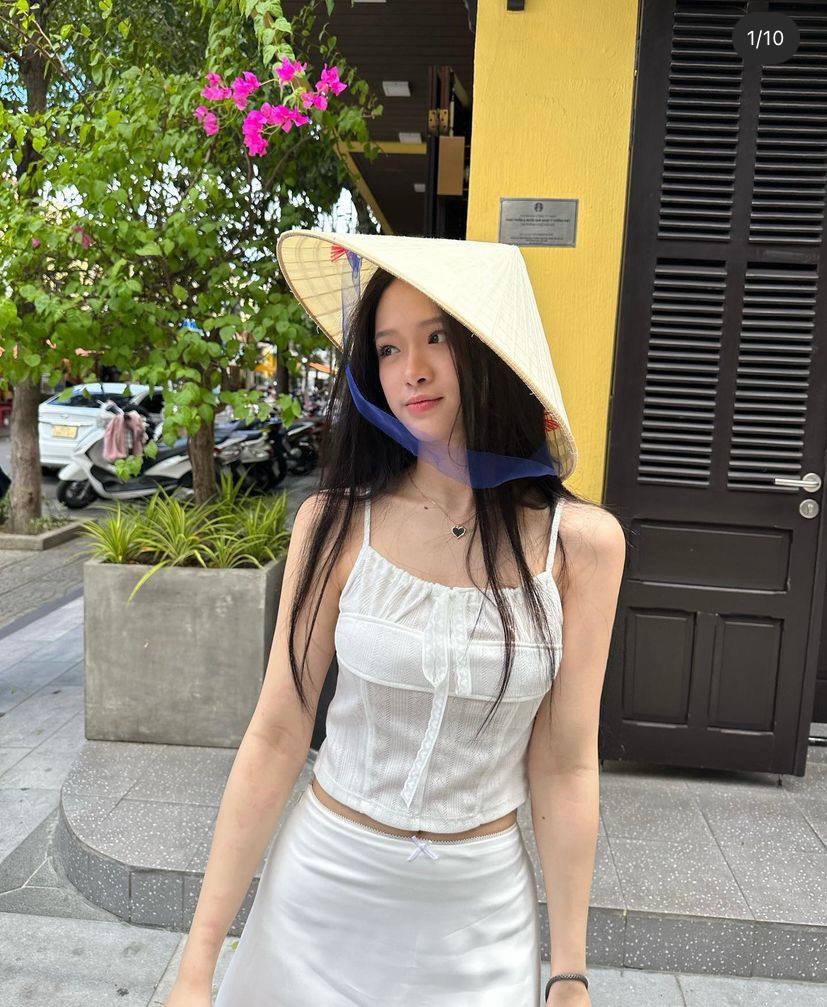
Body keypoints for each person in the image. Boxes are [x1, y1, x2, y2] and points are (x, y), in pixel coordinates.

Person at [165, 231, 626, 1007]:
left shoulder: (579, 546)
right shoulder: (335, 523)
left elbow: (565, 764)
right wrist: (196, 965)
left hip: (478, 924)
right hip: (319, 899)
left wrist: (569, 971)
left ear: (491, 352)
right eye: (387, 348)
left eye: (437, 338)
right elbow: (277, 731)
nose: (410, 368)